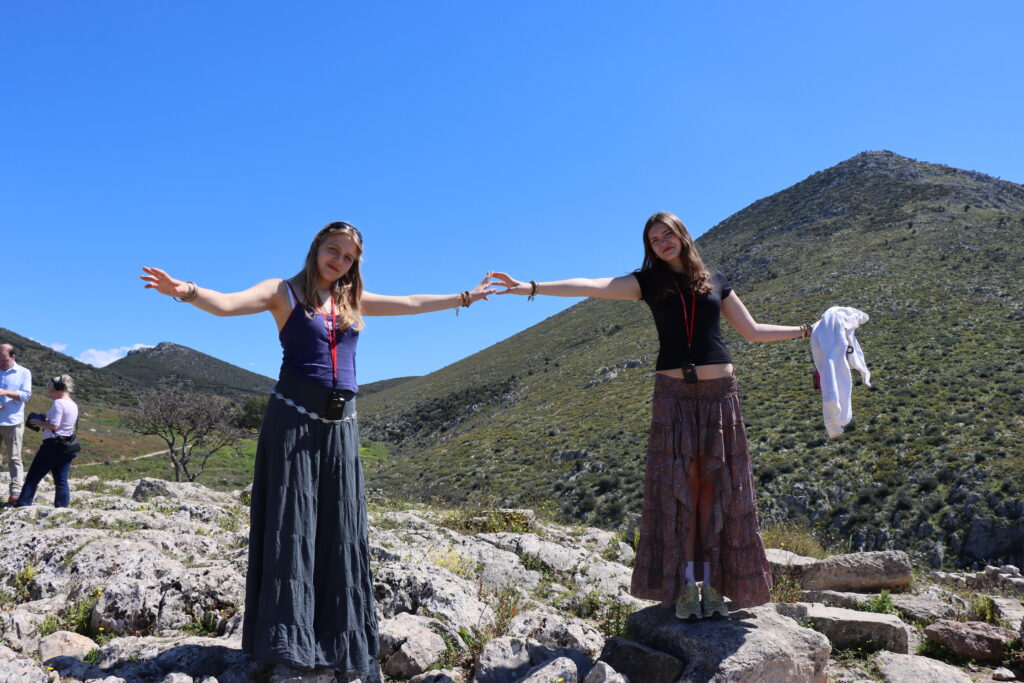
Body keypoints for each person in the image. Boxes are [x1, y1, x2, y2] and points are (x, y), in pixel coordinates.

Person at [140, 221, 495, 679]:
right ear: (316, 248)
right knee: (293, 526)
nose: (340, 261)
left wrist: (463, 297)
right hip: (292, 421)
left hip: (341, 426)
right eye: (334, 250)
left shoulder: (351, 300)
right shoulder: (281, 291)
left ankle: (334, 637)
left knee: (339, 526)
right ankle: (288, 640)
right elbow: (226, 305)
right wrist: (184, 289)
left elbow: (410, 304)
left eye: (348, 257)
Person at [492, 211, 814, 620]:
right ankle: (683, 586)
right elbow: (592, 286)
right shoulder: (647, 283)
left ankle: (715, 585)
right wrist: (531, 287)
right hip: (673, 397)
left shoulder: (717, 280)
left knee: (716, 488)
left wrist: (808, 330)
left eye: (667, 234)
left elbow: (752, 331)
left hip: (719, 396)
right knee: (681, 489)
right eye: (653, 239)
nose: (662, 242)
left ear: (682, 235)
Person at [17, 375, 78, 508]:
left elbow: (54, 426)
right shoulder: (73, 404)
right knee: (61, 480)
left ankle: (23, 505)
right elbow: (66, 425)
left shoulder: (58, 403)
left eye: (51, 390)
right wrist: (46, 419)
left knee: (33, 478)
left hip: (52, 446)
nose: (49, 394)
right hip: (66, 446)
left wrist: (37, 422)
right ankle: (62, 508)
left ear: (57, 389)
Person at [0, 343, 33, 505]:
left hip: (12, 422)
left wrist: (5, 392)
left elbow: (26, 395)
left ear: (13, 356)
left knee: (14, 458)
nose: (1, 363)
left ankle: (15, 493)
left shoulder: (24, 373)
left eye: (3, 360)